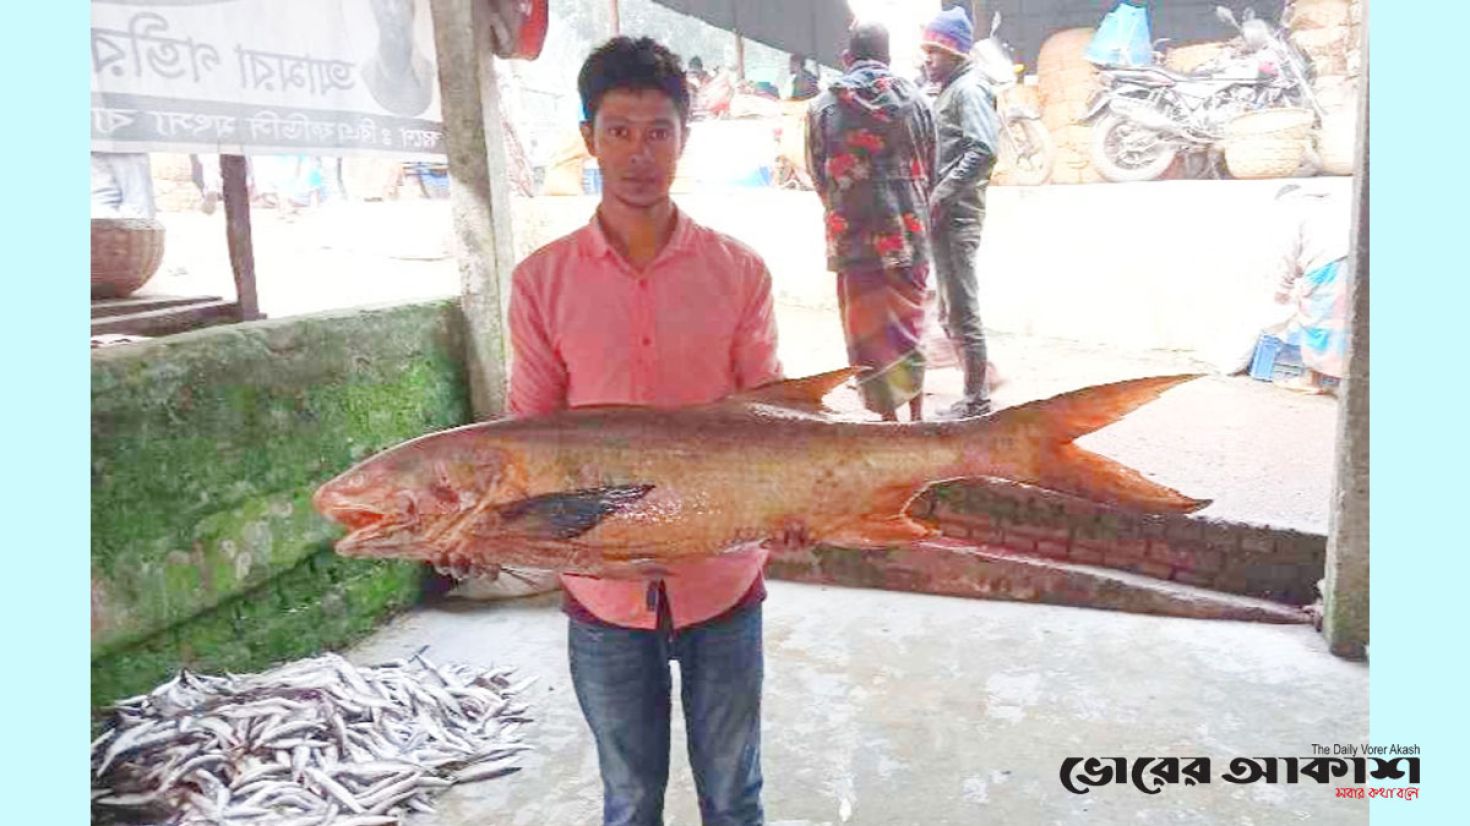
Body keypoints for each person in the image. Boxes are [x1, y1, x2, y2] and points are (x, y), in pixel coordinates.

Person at [506, 36, 784, 826]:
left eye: (658, 131)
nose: (639, 153)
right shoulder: (541, 281)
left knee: (735, 795)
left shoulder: (739, 272)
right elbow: (531, 430)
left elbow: (768, 415)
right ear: (588, 136)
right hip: (602, 593)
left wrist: (796, 505)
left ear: (683, 140)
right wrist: (485, 527)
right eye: (619, 130)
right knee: (629, 801)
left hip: (724, 576)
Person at [806, 21, 937, 422]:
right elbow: (932, 167)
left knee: (869, 333)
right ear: (888, 58)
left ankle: (887, 420)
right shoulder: (918, 101)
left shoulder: (822, 106)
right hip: (908, 236)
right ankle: (916, 414)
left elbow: (817, 173)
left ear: (847, 59)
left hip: (853, 239)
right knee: (909, 326)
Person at [920, 7, 1001, 419]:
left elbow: (983, 150)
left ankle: (976, 400)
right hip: (946, 215)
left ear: (953, 51)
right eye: (926, 50)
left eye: (935, 51)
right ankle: (975, 390)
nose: (928, 59)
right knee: (950, 310)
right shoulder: (951, 89)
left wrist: (942, 193)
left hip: (957, 216)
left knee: (962, 309)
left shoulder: (968, 90)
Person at [1269, 183, 1352, 393]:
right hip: (1356, 261)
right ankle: (1345, 381)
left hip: (1326, 267)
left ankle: (1313, 380)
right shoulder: (1332, 203)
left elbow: (1288, 253)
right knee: (1347, 324)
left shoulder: (1291, 210)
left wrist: (1282, 288)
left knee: (1318, 323)